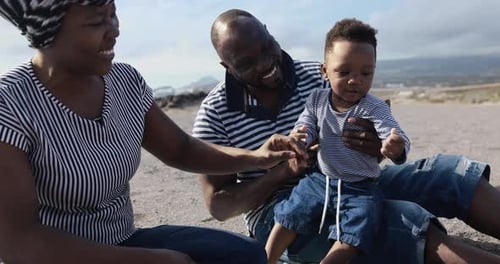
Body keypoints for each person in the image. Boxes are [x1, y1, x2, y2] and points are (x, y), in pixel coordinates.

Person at [0, 2, 309, 264]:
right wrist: (154, 259)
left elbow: (182, 149)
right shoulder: (11, 104)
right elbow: (19, 243)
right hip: (59, 256)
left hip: (123, 237)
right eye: (97, 22)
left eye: (113, 13)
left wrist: (256, 159)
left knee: (247, 256)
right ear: (48, 33)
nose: (115, 29)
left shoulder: (125, 81)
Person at [192, 8, 500, 263]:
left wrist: (374, 146)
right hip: (280, 213)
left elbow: (376, 139)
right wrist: (282, 171)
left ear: (270, 33)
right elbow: (219, 206)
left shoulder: (323, 74)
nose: (265, 63)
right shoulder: (214, 114)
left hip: (352, 181)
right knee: (397, 221)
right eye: (246, 62)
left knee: (446, 176)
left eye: (266, 46)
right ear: (226, 66)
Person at [265, 18, 411, 264]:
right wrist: (299, 135)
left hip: (361, 189)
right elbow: (306, 125)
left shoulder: (373, 107)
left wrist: (394, 146)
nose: (355, 80)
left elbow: (393, 132)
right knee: (289, 215)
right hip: (319, 180)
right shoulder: (317, 100)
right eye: (344, 72)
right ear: (325, 71)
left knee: (356, 233)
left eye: (366, 73)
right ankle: (265, 258)